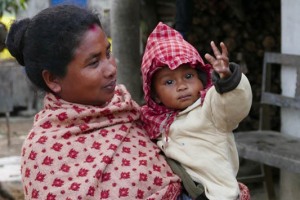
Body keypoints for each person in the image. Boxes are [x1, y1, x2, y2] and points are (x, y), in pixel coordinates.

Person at [5, 5, 182, 199]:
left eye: (108, 53)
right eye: (94, 63)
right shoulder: (43, 151)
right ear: (53, 79)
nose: (111, 69)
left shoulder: (129, 111)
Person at [140, 22, 252, 200]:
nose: (182, 86)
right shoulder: (154, 119)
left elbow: (233, 105)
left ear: (202, 78)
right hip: (183, 189)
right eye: (169, 82)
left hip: (216, 194)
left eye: (188, 76)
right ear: (155, 96)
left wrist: (227, 81)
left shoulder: (210, 107)